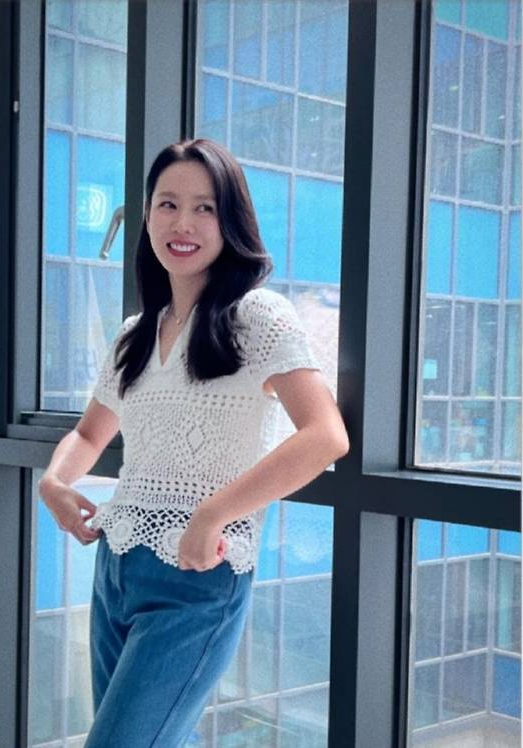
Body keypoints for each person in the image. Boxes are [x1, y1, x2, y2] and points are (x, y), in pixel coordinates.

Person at [38, 138, 349, 747]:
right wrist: (54, 482)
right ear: (147, 215)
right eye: (168, 204)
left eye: (205, 208)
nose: (183, 223)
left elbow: (325, 435)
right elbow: (88, 432)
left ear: (230, 219)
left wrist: (212, 513)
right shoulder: (134, 334)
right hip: (116, 566)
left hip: (198, 573)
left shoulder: (257, 316)